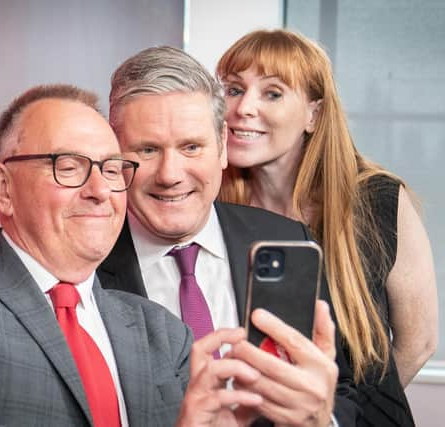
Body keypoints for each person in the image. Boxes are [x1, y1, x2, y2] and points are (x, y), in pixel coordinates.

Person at [0, 84, 268, 426]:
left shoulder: (162, 332)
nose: (99, 190)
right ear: (3, 187)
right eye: (69, 166)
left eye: (112, 170)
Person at [99, 46, 358, 426]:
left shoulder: (287, 239)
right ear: (116, 154)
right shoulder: (86, 266)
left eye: (191, 147)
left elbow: (343, 393)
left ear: (222, 145)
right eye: (148, 149)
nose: (170, 174)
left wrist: (321, 418)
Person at [216, 29, 438, 426]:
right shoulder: (210, 208)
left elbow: (418, 342)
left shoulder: (379, 200)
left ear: (313, 115)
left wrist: (343, 415)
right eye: (233, 89)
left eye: (272, 93)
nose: (244, 108)